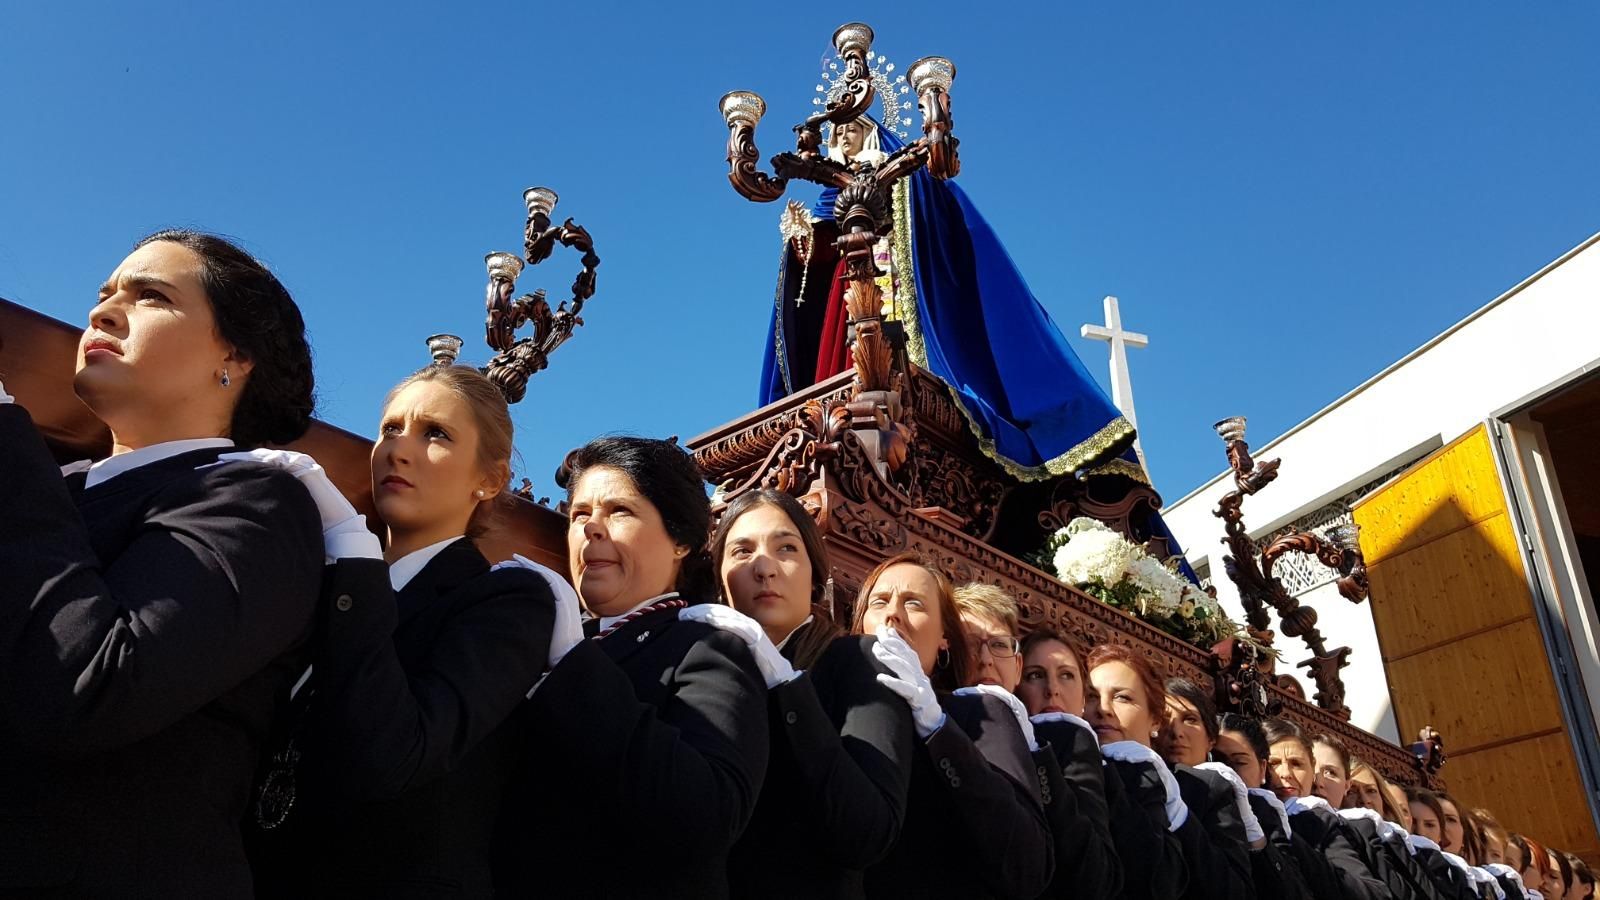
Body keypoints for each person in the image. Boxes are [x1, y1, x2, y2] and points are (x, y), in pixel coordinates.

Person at [0, 230, 325, 896]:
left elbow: (90, 685)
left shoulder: (258, 500)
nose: (105, 311)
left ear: (234, 354)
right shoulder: (51, 488)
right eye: (104, 294)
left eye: (150, 295)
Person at [245, 364, 561, 897]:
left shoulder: (505, 602)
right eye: (390, 429)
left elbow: (396, 755)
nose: (399, 449)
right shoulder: (319, 576)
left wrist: (353, 554)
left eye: (435, 433)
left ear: (490, 479)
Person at [495, 437, 771, 898]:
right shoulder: (538, 639)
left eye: (619, 511)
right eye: (579, 514)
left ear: (681, 539)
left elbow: (706, 815)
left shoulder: (708, 648)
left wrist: (573, 665)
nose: (591, 528)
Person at [712, 489, 915, 899]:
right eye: (742, 551)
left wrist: (788, 689)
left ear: (816, 577)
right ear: (719, 579)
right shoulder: (705, 671)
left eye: (786, 548)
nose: (764, 567)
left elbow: (868, 832)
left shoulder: (860, 660)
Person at [851, 553, 1055, 899]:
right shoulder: (829, 699)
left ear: (944, 637)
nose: (893, 614)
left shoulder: (977, 711)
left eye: (913, 603)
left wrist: (937, 728)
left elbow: (1028, 865)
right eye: (879, 601)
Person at [1013, 627, 1123, 899]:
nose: (1052, 691)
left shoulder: (1115, 769)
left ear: (1084, 699)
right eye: (1035, 675)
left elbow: (1096, 875)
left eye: (1066, 676)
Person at [1085, 643, 1191, 899]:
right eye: (1091, 696)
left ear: (1155, 718)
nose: (1103, 708)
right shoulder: (1070, 773)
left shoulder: (1199, 789)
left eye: (1122, 697)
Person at [1263, 718, 1392, 900]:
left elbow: (1373, 893)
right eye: (1273, 764)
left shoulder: (1321, 821)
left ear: (1311, 773)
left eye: (1296, 764)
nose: (1286, 773)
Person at [1160, 678, 1258, 900]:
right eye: (1165, 718)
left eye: (1190, 720)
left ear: (1211, 739)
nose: (1176, 732)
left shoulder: (1215, 789)